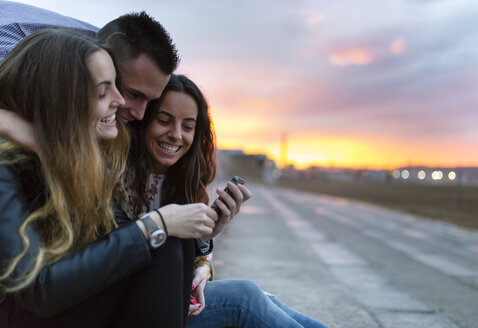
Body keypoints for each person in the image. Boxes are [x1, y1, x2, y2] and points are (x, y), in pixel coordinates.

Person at [0, 29, 223, 328]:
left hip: (64, 302)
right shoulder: (9, 166)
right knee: (167, 241)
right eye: (104, 90)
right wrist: (155, 226)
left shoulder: (80, 155)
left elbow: (111, 234)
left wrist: (199, 249)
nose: (119, 101)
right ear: (63, 95)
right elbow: (36, 289)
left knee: (172, 242)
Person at [125, 74, 328, 328]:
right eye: (164, 121)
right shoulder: (121, 177)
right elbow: (128, 252)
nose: (176, 135)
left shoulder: (180, 179)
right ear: (144, 119)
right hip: (133, 309)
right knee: (244, 299)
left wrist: (208, 246)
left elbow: (187, 253)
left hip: (171, 299)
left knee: (264, 300)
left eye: (187, 127)